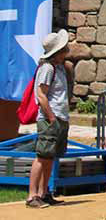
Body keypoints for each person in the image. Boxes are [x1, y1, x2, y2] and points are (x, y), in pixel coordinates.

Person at [26, 29, 72, 208]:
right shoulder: (47, 68)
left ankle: (44, 193)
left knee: (50, 157)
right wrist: (52, 118)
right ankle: (32, 196)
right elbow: (41, 95)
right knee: (42, 156)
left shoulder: (60, 67)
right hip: (49, 119)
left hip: (59, 117)